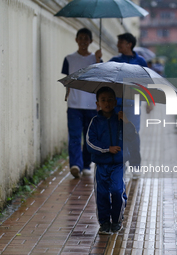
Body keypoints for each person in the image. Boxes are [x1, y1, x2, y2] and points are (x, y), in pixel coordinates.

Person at [86, 86, 137, 234]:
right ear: (97, 104)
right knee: (101, 194)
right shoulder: (95, 122)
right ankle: (104, 222)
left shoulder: (120, 119)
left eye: (110, 100)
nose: (107, 103)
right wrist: (107, 148)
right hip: (101, 165)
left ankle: (116, 220)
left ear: (115, 102)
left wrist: (126, 122)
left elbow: (132, 137)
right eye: (103, 100)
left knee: (116, 190)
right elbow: (90, 143)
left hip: (118, 164)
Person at [61, 28, 102, 178]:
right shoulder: (69, 59)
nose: (83, 41)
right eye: (81, 38)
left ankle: (86, 165)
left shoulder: (96, 59)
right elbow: (66, 80)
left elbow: (101, 78)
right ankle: (75, 165)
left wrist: (98, 60)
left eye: (86, 38)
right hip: (74, 105)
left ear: (91, 41)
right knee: (74, 136)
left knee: (89, 138)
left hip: (92, 105)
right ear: (76, 39)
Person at [109, 33, 147, 168]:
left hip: (133, 104)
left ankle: (135, 165)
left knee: (133, 134)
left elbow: (146, 83)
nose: (118, 45)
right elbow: (105, 79)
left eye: (120, 42)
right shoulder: (114, 61)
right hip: (117, 105)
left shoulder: (141, 62)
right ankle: (122, 164)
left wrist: (149, 102)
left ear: (129, 44)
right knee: (118, 135)